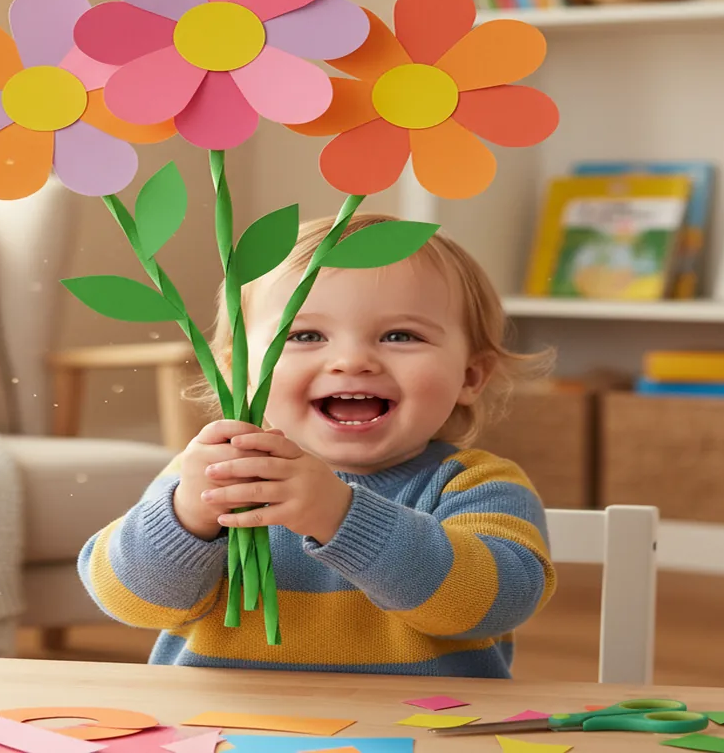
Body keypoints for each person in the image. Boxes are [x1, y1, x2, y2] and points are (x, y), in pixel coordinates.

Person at [77, 212, 556, 677]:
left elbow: (496, 605)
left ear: (471, 376)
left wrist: (342, 516)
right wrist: (186, 518)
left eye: (399, 335)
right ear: (237, 371)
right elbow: (130, 602)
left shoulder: (476, 483)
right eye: (305, 334)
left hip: (417, 729)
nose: (351, 361)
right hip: (223, 729)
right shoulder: (215, 473)